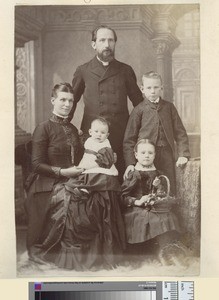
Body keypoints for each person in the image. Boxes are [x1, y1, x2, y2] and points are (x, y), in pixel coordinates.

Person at [25, 83, 125, 270]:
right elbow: (36, 165)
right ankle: (67, 255)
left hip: (73, 178)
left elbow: (83, 158)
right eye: (62, 99)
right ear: (53, 100)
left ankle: (100, 254)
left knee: (99, 197)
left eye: (70, 100)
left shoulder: (72, 129)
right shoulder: (43, 128)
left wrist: (105, 156)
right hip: (47, 183)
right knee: (76, 202)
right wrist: (63, 172)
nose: (67, 104)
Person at [71, 25, 143, 179]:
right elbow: (72, 101)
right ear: (94, 44)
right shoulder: (83, 70)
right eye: (102, 40)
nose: (107, 44)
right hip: (92, 136)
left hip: (120, 135)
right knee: (93, 180)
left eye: (110, 40)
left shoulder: (125, 70)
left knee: (120, 179)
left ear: (115, 43)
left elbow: (139, 103)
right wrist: (66, 128)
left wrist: (141, 131)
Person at [123, 71, 190, 195]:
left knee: (168, 186)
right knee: (146, 187)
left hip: (166, 156)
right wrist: (131, 162)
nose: (152, 91)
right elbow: (129, 139)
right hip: (145, 157)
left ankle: (167, 211)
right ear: (142, 89)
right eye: (149, 88)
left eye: (156, 87)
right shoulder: (139, 110)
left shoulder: (169, 108)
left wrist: (183, 154)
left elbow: (180, 133)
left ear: (161, 88)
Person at [121, 139, 186, 266]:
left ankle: (168, 251)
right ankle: (162, 252)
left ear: (155, 155)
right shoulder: (133, 174)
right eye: (143, 152)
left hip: (155, 206)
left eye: (150, 153)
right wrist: (137, 201)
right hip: (137, 208)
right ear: (136, 155)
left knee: (169, 216)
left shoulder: (158, 173)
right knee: (153, 219)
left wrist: (157, 187)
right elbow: (123, 196)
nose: (146, 155)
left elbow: (160, 193)